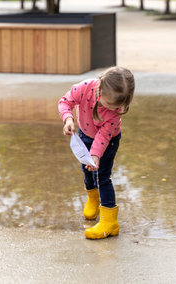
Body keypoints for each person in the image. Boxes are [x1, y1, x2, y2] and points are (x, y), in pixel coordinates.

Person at [58, 66, 135, 239]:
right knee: (86, 170)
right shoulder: (85, 87)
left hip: (107, 142)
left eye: (117, 106)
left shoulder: (115, 113)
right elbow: (65, 101)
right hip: (85, 135)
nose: (111, 108)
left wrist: (95, 155)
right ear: (100, 88)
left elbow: (103, 137)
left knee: (102, 177)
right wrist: (68, 119)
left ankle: (110, 223)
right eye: (108, 103)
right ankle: (93, 199)